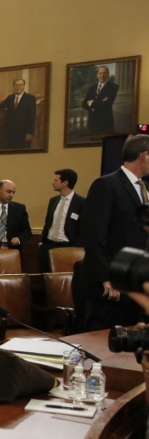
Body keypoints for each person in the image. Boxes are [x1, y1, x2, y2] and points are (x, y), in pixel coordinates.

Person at [80, 134, 149, 331]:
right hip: (111, 285)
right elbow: (94, 235)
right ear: (144, 155)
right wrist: (106, 277)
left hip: (138, 283)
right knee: (102, 342)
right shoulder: (107, 185)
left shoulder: (145, 189)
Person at [39, 169, 85, 272]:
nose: (52, 182)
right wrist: (42, 242)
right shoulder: (53, 200)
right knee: (44, 278)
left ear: (65, 183)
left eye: (56, 180)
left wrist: (76, 247)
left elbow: (84, 228)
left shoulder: (81, 203)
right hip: (48, 246)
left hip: (67, 247)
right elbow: (48, 222)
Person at [0, 78, 37, 149]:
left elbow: (32, 116)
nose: (18, 87)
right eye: (16, 85)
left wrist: (30, 132)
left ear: (24, 86)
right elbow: (2, 105)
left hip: (24, 132)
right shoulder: (10, 98)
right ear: (14, 87)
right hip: (11, 132)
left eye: (20, 85)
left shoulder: (30, 98)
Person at [82, 65, 118, 133]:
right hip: (92, 123)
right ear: (97, 75)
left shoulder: (113, 87)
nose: (102, 75)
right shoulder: (92, 88)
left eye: (104, 73)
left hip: (106, 123)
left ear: (108, 74)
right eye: (100, 73)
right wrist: (94, 108)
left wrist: (91, 102)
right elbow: (83, 104)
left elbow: (107, 104)